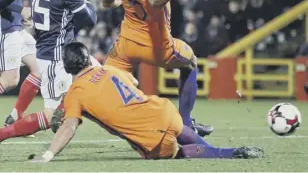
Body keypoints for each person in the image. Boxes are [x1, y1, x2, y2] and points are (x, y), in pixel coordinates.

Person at [29, 42, 264, 162]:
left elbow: (68, 127)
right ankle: (228, 150)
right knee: (181, 130)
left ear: (68, 67)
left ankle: (227, 153)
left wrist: (48, 155)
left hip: (149, 134)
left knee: (178, 154)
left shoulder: (75, 93)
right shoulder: (109, 69)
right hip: (161, 108)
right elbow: (133, 81)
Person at [100, 0, 213, 137]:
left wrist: (121, 2)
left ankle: (72, 112)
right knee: (191, 62)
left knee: (104, 82)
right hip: (158, 46)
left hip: (126, 45)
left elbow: (106, 2)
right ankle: (185, 123)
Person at [0, 0, 98, 141]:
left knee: (96, 74)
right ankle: (3, 133)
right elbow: (89, 20)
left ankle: (19, 114)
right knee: (49, 116)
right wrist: (89, 5)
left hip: (50, 50)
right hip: (57, 58)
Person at [0, 0, 41, 128]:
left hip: (16, 26)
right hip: (5, 27)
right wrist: (20, 8)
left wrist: (24, 11)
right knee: (10, 80)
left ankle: (15, 117)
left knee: (40, 68)